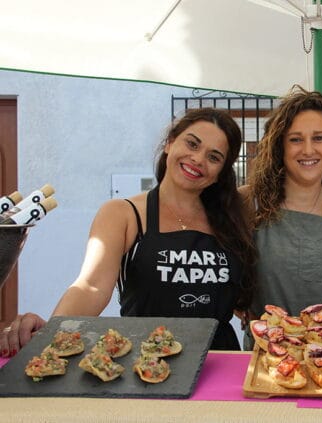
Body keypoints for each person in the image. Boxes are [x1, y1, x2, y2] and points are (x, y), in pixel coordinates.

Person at [0, 107, 256, 355]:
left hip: (220, 361)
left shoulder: (234, 217)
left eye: (214, 157)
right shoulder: (122, 213)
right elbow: (91, 286)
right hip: (148, 361)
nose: (198, 159)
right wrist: (52, 333)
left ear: (220, 173)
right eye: (192, 144)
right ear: (170, 143)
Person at [239, 86, 322, 350]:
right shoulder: (249, 202)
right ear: (280, 146)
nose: (308, 150)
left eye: (319, 138)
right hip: (270, 354)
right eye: (295, 139)